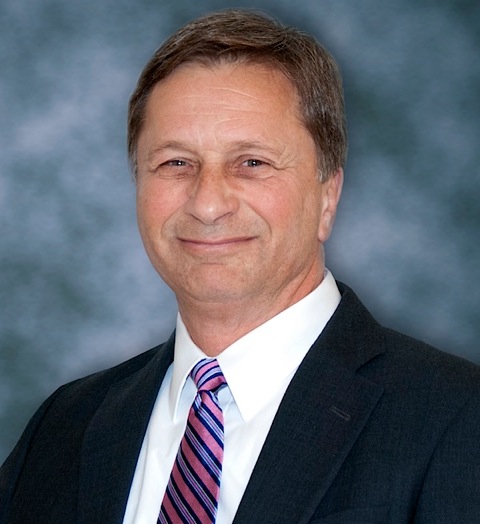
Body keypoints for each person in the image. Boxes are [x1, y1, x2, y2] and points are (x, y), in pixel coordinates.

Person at [1, 8, 479, 524]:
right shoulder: (63, 428)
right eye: (175, 163)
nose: (208, 204)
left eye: (252, 163)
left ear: (327, 195)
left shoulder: (457, 419)